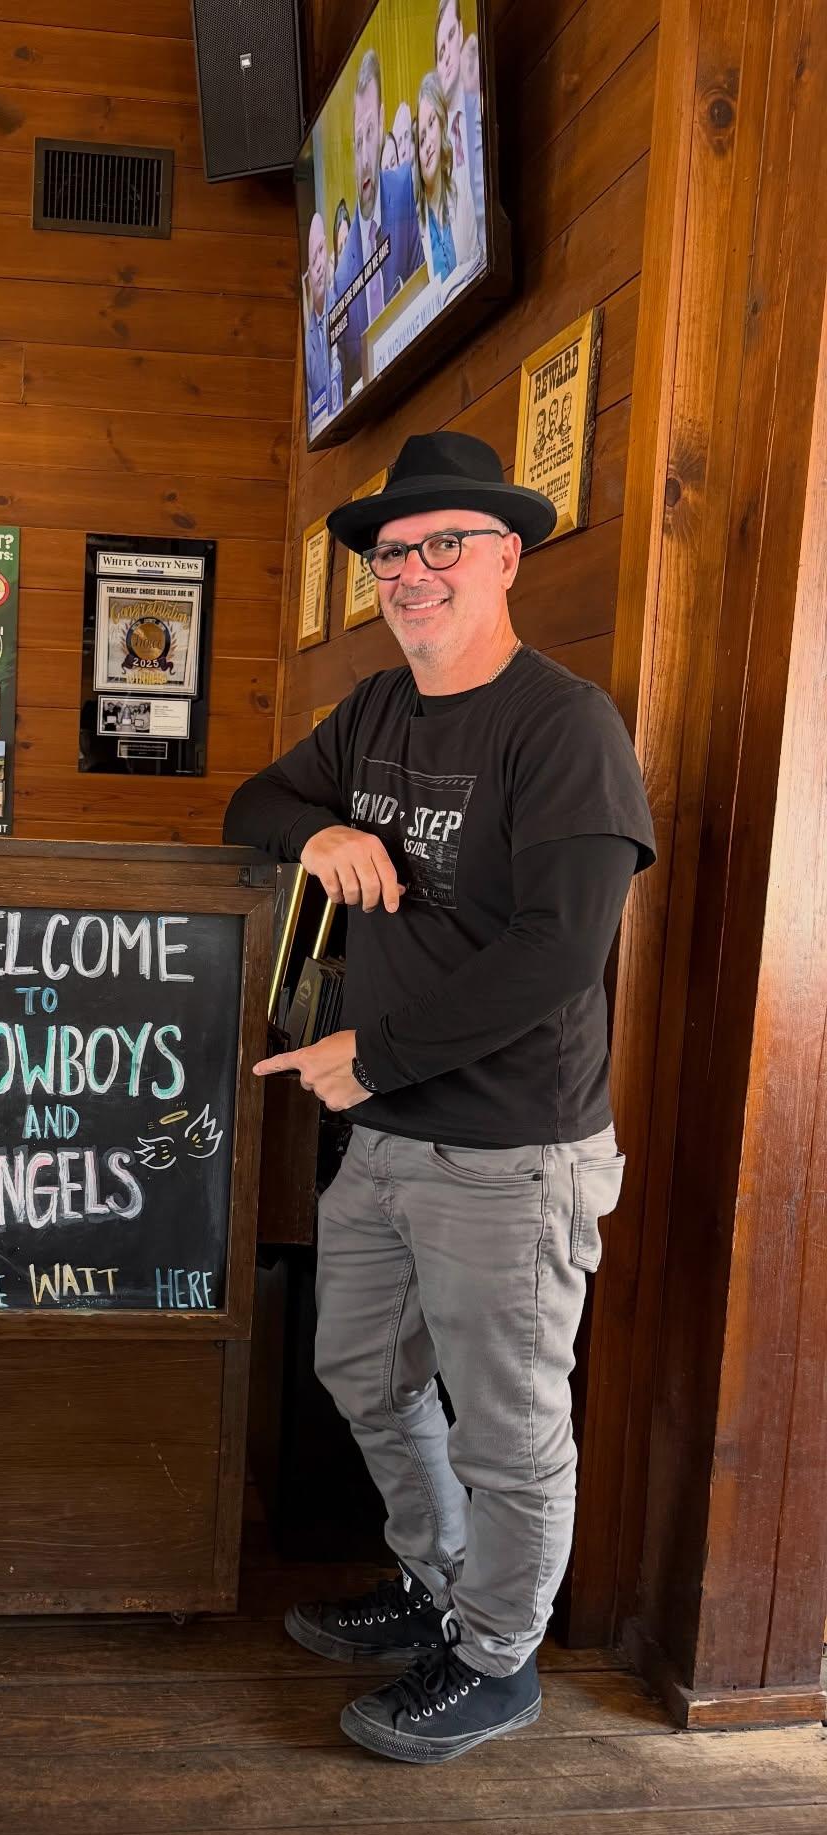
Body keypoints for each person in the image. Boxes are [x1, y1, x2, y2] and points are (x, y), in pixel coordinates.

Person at [223, 432, 655, 1765]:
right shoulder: (374, 715)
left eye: (442, 545)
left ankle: (498, 1659)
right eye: (392, 553)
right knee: (362, 1370)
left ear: (507, 556)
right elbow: (254, 799)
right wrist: (326, 831)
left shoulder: (564, 724)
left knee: (512, 1425)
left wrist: (374, 1057)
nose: (412, 572)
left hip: (513, 1154)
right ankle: (435, 1582)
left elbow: (564, 949)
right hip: (388, 1136)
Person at [331, 47, 426, 397]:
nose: (365, 157)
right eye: (357, 141)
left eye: (371, 132)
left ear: (383, 120)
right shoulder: (342, 278)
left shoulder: (405, 190)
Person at [416, 70, 478, 287]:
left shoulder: (464, 188)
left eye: (431, 123)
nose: (427, 145)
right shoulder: (417, 228)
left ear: (442, 123)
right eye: (420, 140)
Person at [437, 0, 486, 241]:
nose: (446, 56)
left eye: (451, 36)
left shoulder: (480, 101)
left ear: (462, 31)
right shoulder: (437, 151)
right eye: (440, 52)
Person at [302, 210, 333, 431]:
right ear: (309, 276)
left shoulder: (346, 302)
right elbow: (314, 426)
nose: (320, 265)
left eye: (321, 251)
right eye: (313, 263)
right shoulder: (306, 345)